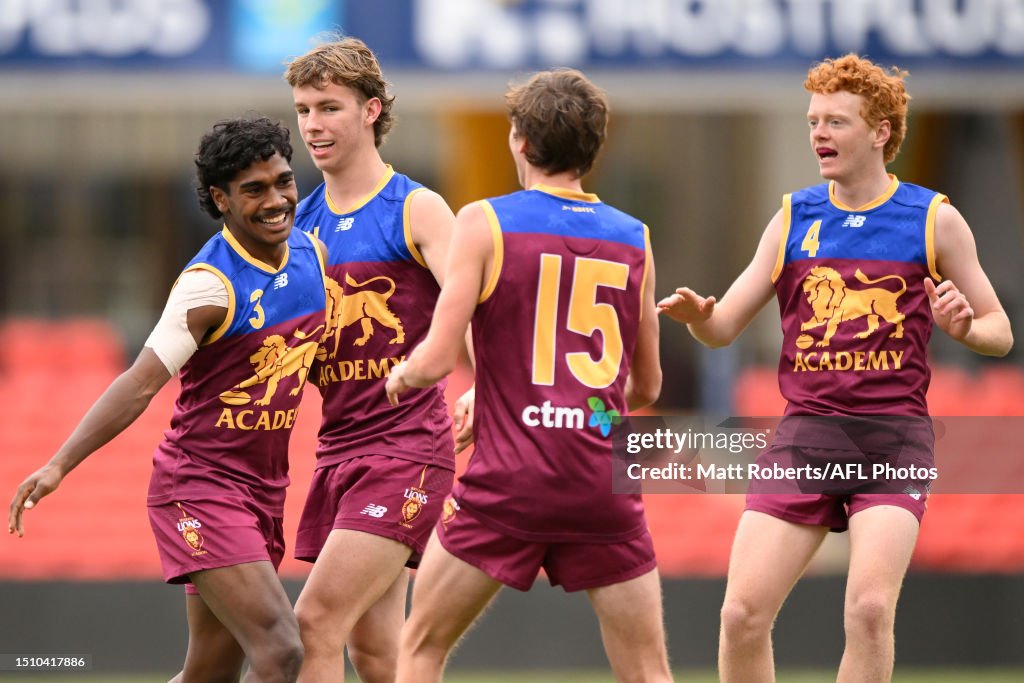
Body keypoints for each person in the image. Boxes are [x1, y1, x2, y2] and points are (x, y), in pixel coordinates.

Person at [658, 54, 1013, 682]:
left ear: (880, 132)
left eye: (836, 122)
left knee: (870, 609)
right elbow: (722, 329)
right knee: (740, 612)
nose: (819, 133)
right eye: (813, 120)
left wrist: (964, 327)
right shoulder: (794, 217)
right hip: (805, 437)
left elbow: (1000, 333)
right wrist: (697, 317)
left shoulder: (934, 219)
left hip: (892, 439)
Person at [8, 116, 330, 683]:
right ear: (220, 200)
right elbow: (139, 382)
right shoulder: (209, 285)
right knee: (281, 650)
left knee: (210, 670)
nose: (277, 200)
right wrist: (59, 464)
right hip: (200, 487)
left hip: (264, 490)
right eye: (254, 190)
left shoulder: (312, 254)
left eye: (283, 181)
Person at [386, 68, 671, 683]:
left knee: (420, 648)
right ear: (593, 149)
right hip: (600, 483)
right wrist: (573, 405)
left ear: (518, 139)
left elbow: (436, 359)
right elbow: (645, 388)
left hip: (509, 483)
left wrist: (400, 377)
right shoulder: (635, 238)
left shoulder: (484, 222)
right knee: (647, 671)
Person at [283, 36, 466, 682]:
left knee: (314, 621)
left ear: (372, 109)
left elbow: (472, 309)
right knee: (379, 654)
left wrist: (488, 388)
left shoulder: (415, 208)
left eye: (329, 107)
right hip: (338, 450)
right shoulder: (299, 228)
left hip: (407, 448)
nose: (312, 124)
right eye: (303, 109)